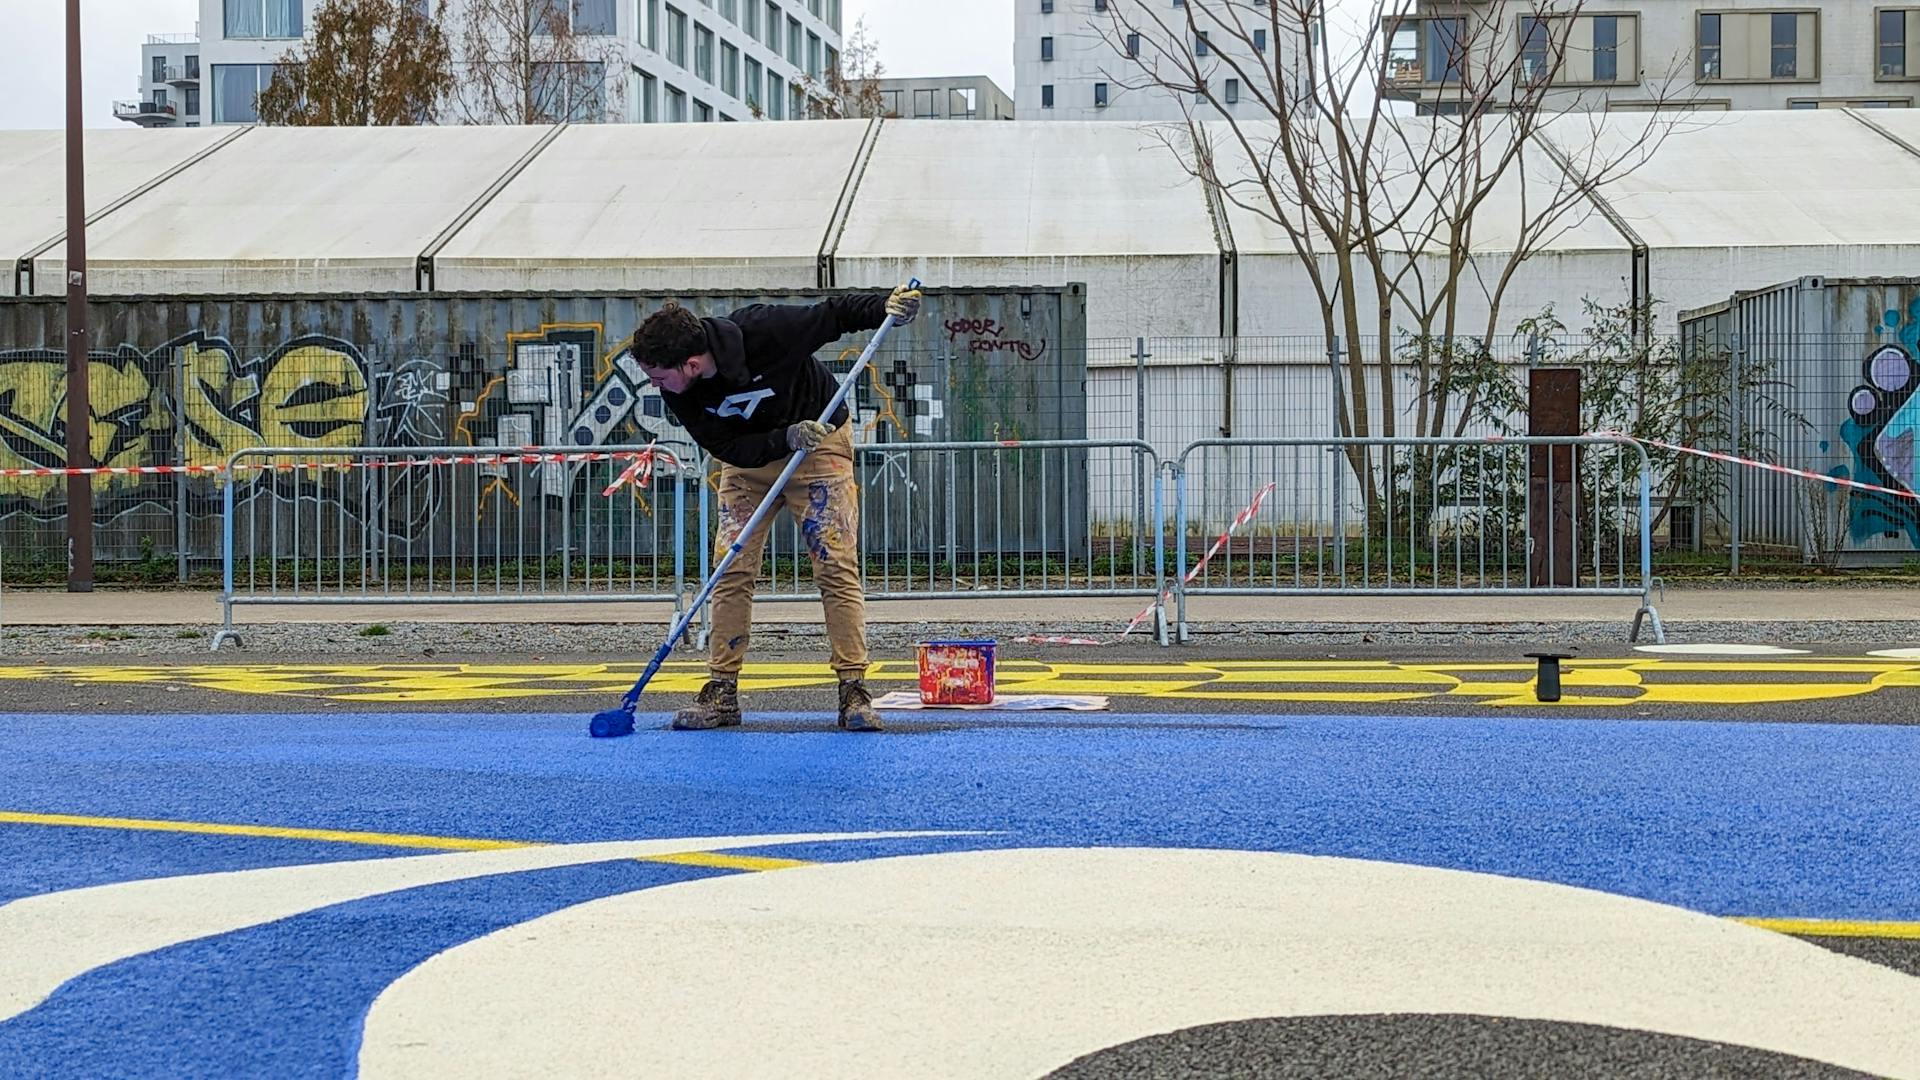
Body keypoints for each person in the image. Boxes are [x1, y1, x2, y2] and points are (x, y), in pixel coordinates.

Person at [630, 284, 922, 732]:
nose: (655, 386)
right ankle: (722, 690)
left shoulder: (765, 330)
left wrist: (885, 306)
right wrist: (782, 439)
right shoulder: (678, 391)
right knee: (731, 566)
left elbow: (834, 314)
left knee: (835, 564)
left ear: (690, 364)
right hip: (749, 463)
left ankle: (853, 690)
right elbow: (723, 444)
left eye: (659, 376)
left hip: (820, 447)